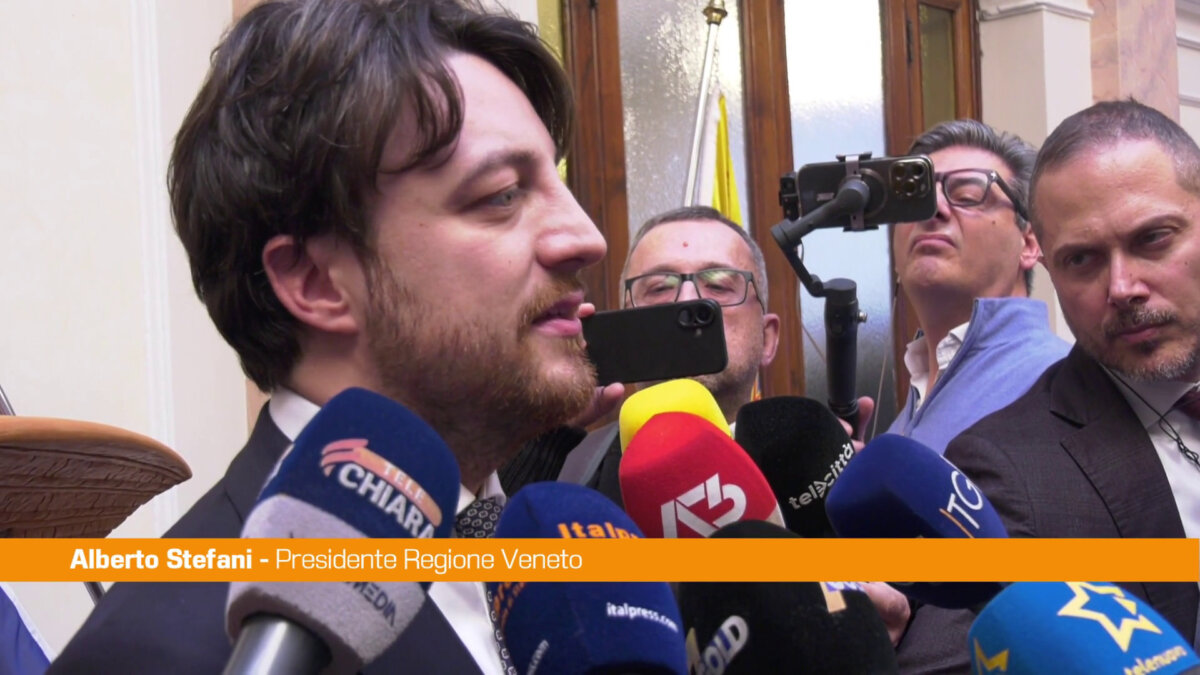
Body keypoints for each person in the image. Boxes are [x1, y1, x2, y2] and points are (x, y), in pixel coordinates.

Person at [50, 1, 607, 673]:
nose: (587, 237)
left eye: (557, 181)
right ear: (314, 281)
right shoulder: (169, 652)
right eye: (502, 194)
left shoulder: (571, 586)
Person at [909, 99, 1200, 670]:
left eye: (1153, 239)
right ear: (1045, 263)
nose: (1123, 287)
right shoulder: (1007, 474)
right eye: (1082, 260)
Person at [558, 206, 781, 504]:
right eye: (659, 288)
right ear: (625, 330)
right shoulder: (564, 469)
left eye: (718, 285)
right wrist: (549, 437)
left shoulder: (811, 474)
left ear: (767, 338)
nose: (687, 302)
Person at [886, 119, 1071, 456]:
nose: (932, 209)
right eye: (915, 198)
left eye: (967, 196)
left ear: (1030, 243)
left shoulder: (1065, 388)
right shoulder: (900, 422)